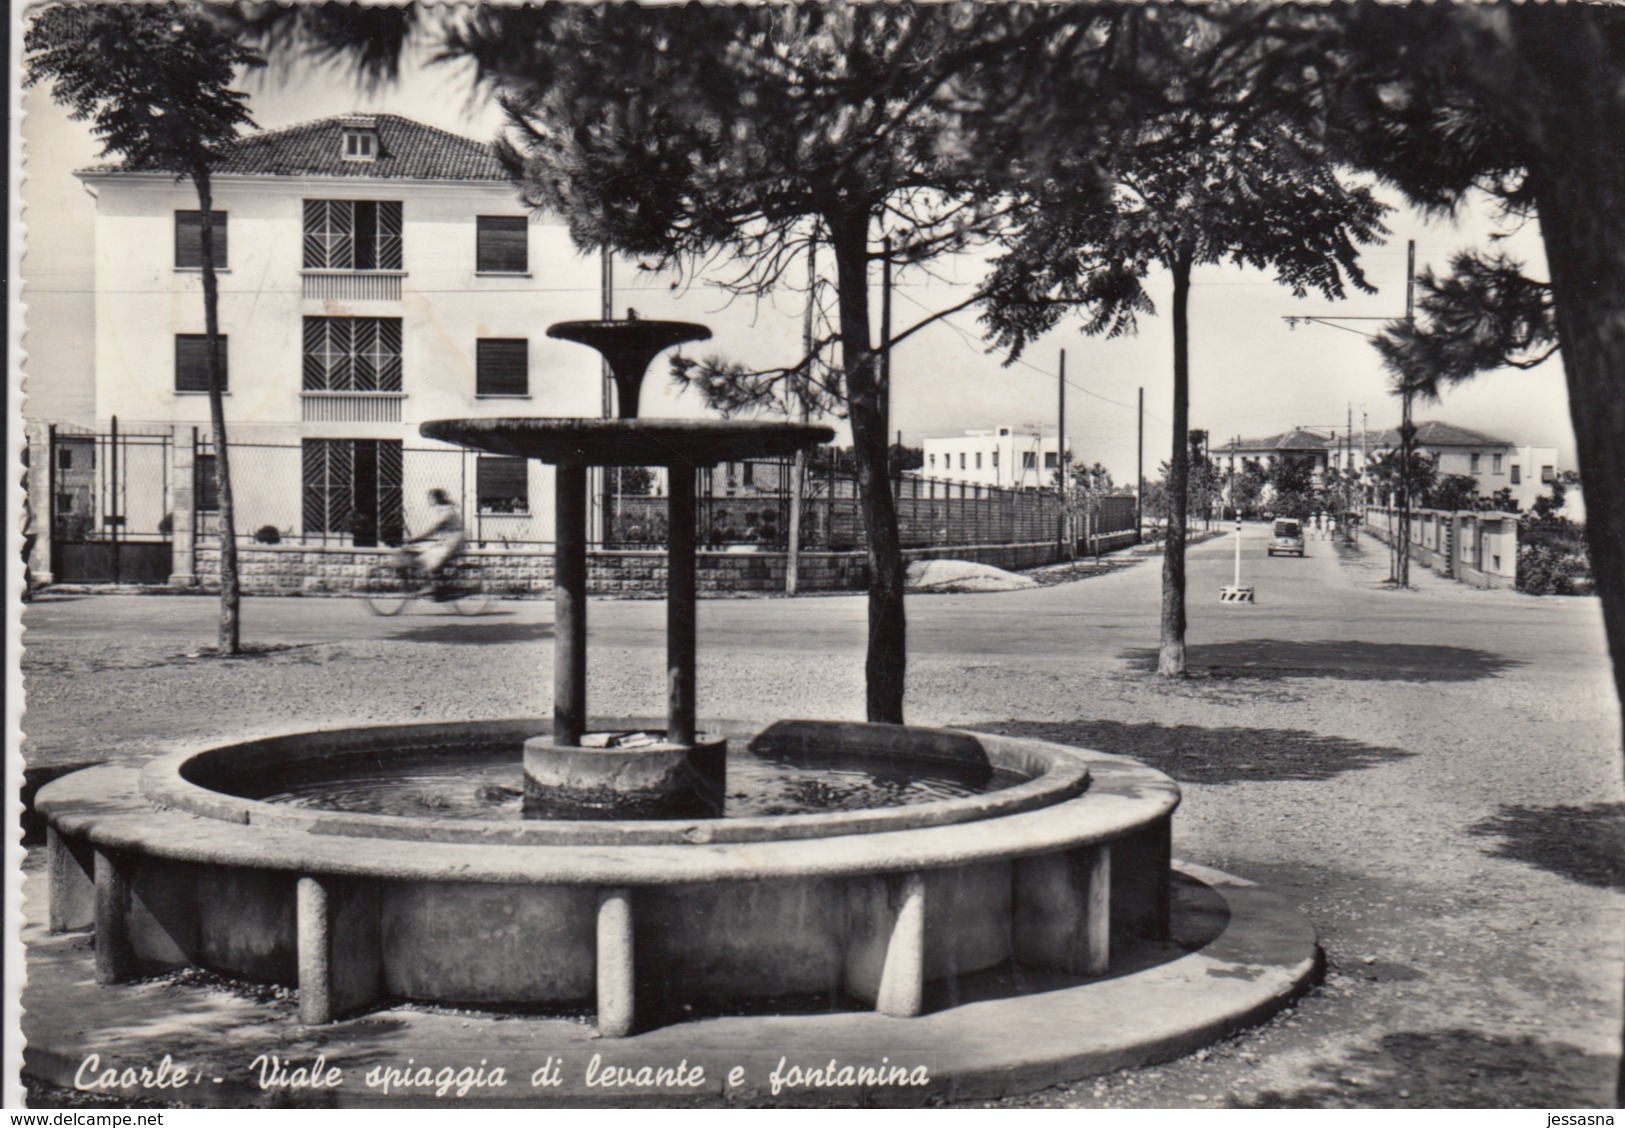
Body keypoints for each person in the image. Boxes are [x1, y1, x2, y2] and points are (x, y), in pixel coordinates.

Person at [400, 488, 465, 596]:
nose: (429, 500)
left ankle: (431, 587)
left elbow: (433, 529)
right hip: (448, 540)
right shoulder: (443, 509)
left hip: (454, 541)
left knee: (429, 559)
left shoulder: (447, 511)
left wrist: (416, 538)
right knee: (427, 554)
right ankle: (436, 585)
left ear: (436, 498)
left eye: (430, 498)